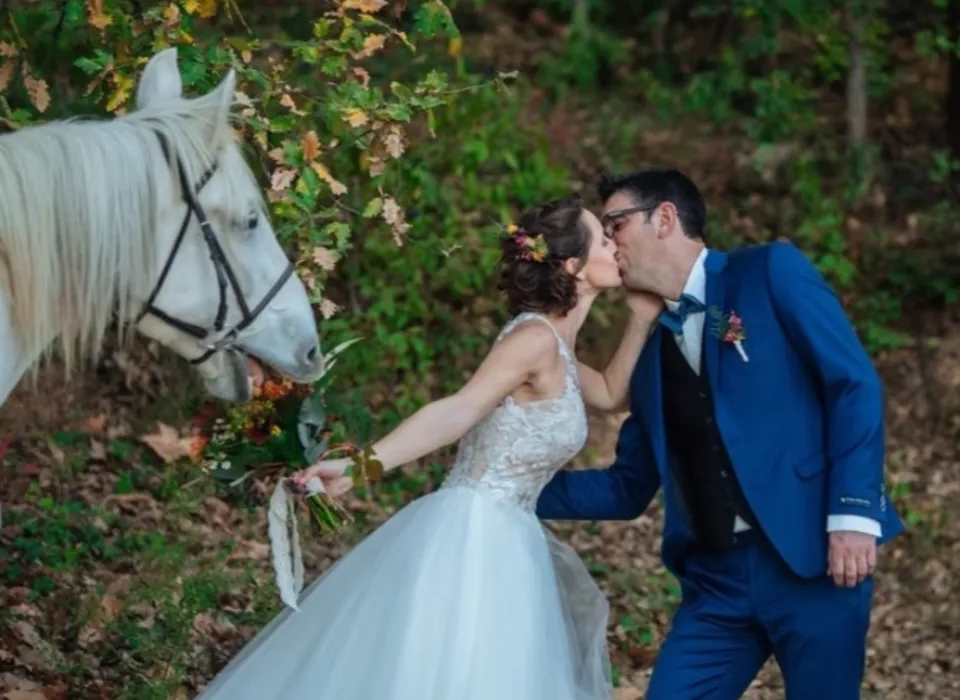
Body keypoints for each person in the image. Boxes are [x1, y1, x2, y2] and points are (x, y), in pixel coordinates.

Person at [193, 196, 664, 700]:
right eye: (604, 239)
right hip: (475, 535)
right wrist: (360, 467)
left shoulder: (558, 347)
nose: (616, 245)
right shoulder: (535, 340)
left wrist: (641, 317)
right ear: (573, 266)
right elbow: (459, 410)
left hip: (513, 534)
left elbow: (611, 394)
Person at [535, 168, 905, 699]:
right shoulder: (647, 358)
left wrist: (853, 513)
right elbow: (627, 487)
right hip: (716, 583)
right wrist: (513, 490)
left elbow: (852, 384)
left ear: (664, 218)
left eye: (615, 225)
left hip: (815, 560)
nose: (610, 243)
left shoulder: (769, 272)